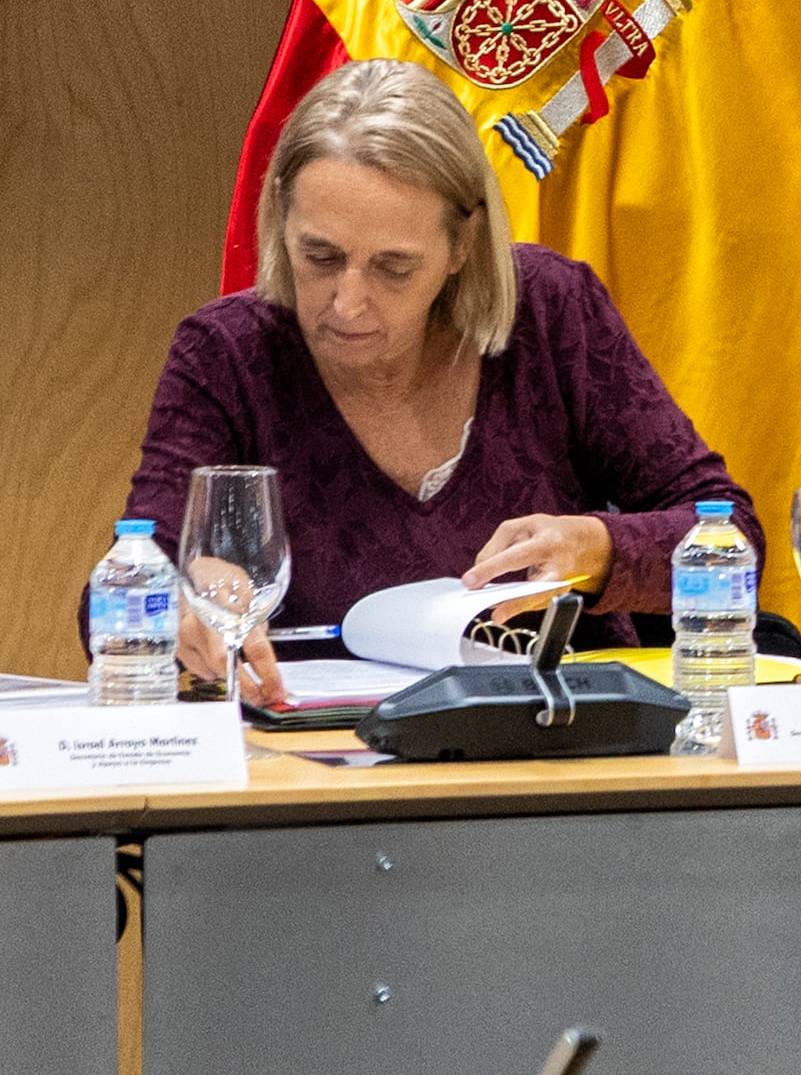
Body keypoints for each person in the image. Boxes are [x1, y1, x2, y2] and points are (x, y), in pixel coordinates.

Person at [119, 61, 737, 700]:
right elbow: (121, 588)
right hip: (321, 746)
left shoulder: (551, 312)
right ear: (279, 217)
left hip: (564, 734)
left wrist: (601, 548)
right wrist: (181, 604)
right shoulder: (227, 354)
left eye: (394, 268)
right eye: (321, 257)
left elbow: (732, 535)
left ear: (463, 244)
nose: (347, 304)